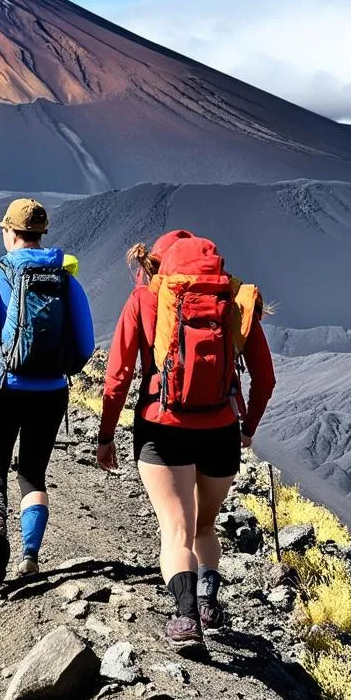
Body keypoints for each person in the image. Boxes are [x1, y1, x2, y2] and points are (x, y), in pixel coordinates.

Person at [96, 231, 276, 648]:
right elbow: (265, 379)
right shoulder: (231, 301)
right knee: (205, 525)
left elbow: (117, 379)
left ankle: (186, 618)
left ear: (158, 264)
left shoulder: (144, 299)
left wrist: (106, 436)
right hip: (222, 432)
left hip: (163, 428)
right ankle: (209, 601)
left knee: (176, 529)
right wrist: (247, 428)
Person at [0, 198, 95, 583]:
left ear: (9, 232)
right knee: (33, 474)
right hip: (51, 392)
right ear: (40, 234)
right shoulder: (66, 280)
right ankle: (29, 556)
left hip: (0, 386)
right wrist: (60, 372)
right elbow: (86, 344)